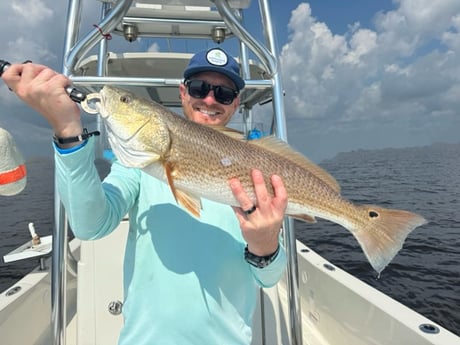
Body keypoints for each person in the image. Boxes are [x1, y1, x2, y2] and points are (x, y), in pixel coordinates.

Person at [2, 47, 287, 344]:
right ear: (183, 92)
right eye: (200, 88)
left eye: (224, 93)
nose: (210, 100)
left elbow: (268, 279)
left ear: (236, 103)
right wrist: (67, 128)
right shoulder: (137, 166)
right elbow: (91, 225)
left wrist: (265, 245)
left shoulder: (258, 172)